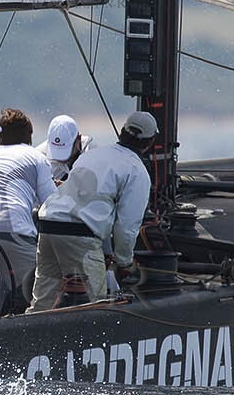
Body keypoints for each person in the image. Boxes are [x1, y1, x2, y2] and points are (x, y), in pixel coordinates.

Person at [31, 111, 155, 310]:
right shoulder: (136, 170)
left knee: (43, 300)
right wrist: (124, 262)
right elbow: (127, 225)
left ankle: (29, 336)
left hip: (48, 223)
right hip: (79, 234)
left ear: (122, 132)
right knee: (94, 304)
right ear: (150, 142)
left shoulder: (92, 154)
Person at [0, 108, 57, 306]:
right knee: (37, 293)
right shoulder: (36, 157)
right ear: (29, 137)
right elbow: (52, 205)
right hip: (16, 236)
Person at [46, 114, 93, 183]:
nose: (59, 158)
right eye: (56, 149)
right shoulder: (40, 157)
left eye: (64, 149)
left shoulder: (92, 153)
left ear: (79, 139)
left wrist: (64, 188)